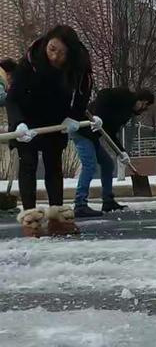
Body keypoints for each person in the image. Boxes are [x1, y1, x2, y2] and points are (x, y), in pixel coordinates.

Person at [6, 25, 93, 236]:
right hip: (26, 118)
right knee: (28, 164)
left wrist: (73, 116)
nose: (54, 56)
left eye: (61, 53)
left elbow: (83, 92)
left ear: (70, 55)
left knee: (54, 163)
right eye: (52, 49)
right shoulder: (31, 59)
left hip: (56, 117)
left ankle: (57, 219)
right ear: (47, 44)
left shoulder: (79, 63)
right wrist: (19, 124)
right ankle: (31, 221)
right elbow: (12, 97)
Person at [72, 87, 155, 218]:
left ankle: (108, 201)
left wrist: (122, 152)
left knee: (108, 164)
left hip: (92, 135)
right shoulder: (124, 95)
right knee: (90, 165)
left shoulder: (126, 114)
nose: (143, 109)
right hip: (81, 129)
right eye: (145, 105)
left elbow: (110, 133)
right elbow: (103, 94)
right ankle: (80, 204)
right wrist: (96, 115)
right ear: (140, 100)